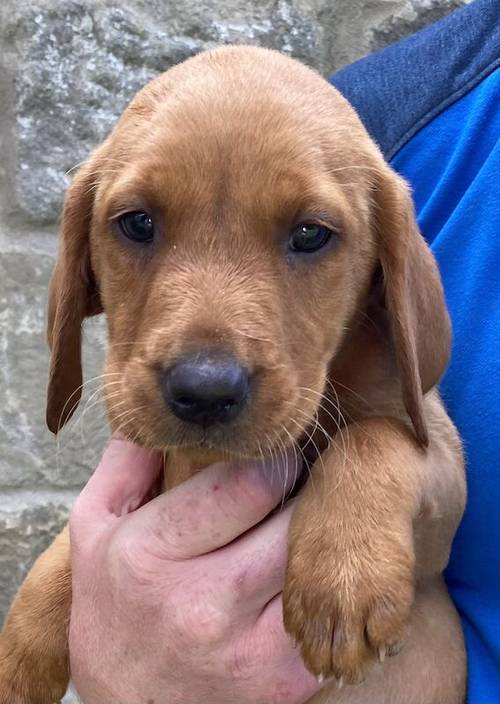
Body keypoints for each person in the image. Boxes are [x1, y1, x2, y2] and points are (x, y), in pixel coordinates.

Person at [69, 1, 500, 701]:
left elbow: (426, 443)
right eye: (137, 225)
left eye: (308, 238)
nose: (206, 371)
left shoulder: (369, 185)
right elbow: (123, 540)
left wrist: (372, 467)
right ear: (79, 262)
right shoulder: (409, 110)